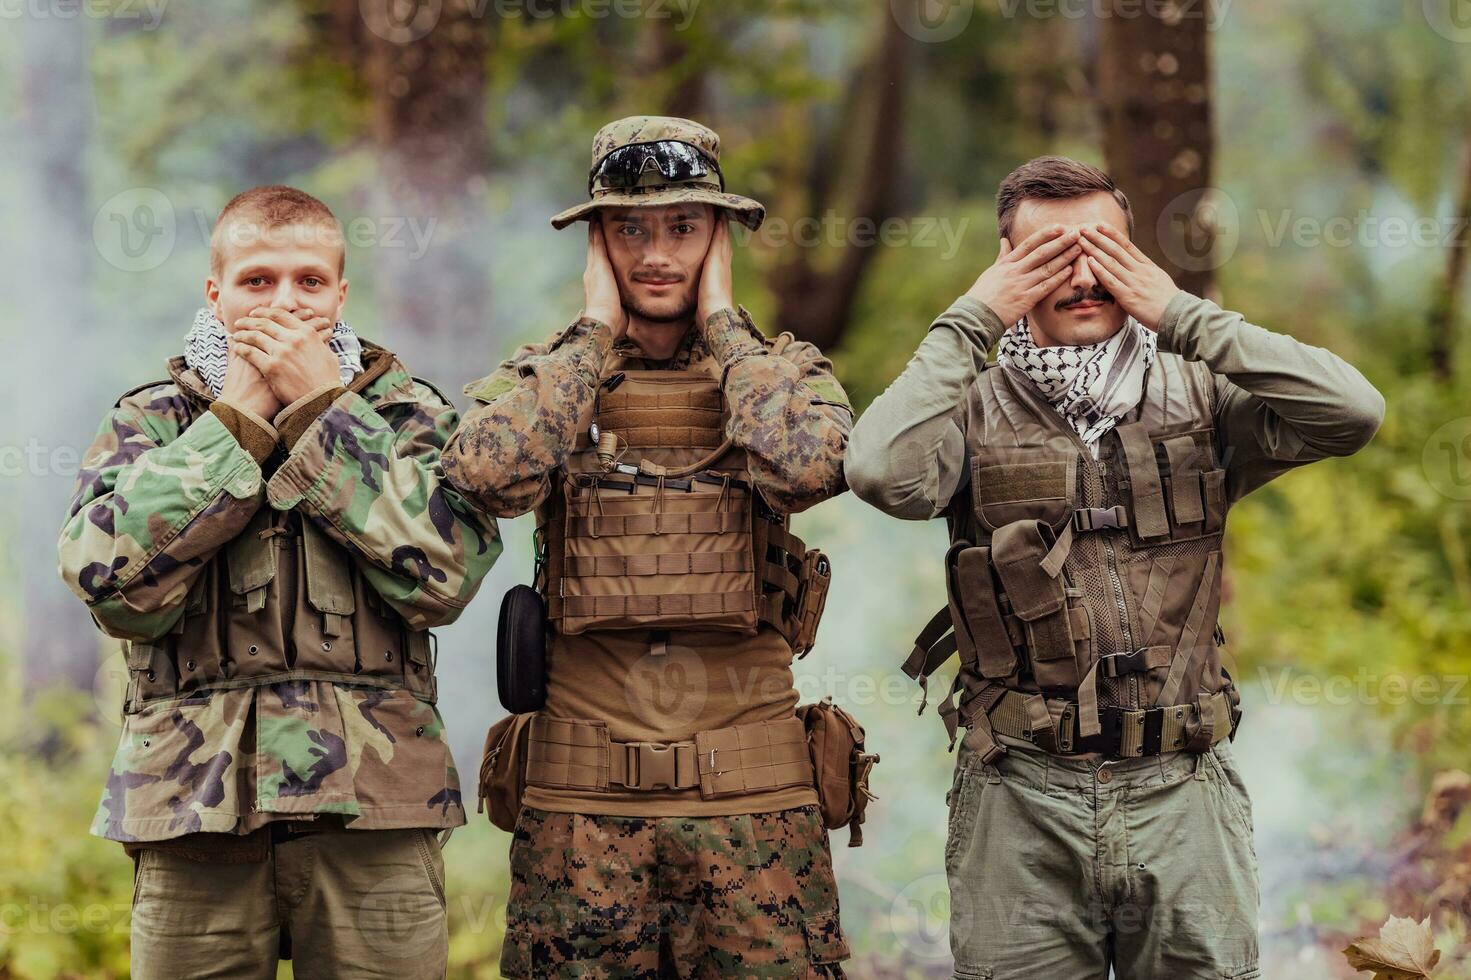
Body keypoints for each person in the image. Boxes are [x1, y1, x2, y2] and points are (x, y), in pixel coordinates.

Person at [845, 156, 1385, 979]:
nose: (1082, 277)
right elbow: (880, 471)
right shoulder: (968, 408)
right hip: (1018, 799)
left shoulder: (1203, 396)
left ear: (1135, 260)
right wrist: (968, 322)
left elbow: (1352, 412)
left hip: (1182, 794)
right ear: (1007, 270)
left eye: (1102, 251)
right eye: (1052, 256)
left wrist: (1180, 312)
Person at [442, 116, 855, 978]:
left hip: (757, 810)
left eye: (683, 226)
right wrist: (592, 334)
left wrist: (723, 324)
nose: (655, 252)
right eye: (628, 228)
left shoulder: (777, 374)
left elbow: (815, 465)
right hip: (580, 812)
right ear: (595, 240)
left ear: (720, 236)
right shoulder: (550, 382)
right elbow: (480, 475)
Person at [58, 185, 500, 978]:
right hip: (193, 814)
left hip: (376, 814)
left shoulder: (406, 414)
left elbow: (450, 572)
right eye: (258, 281)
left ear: (340, 293)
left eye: (307, 281)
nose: (284, 303)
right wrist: (235, 423)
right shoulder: (152, 420)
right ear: (214, 293)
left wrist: (321, 415)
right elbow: (107, 582)